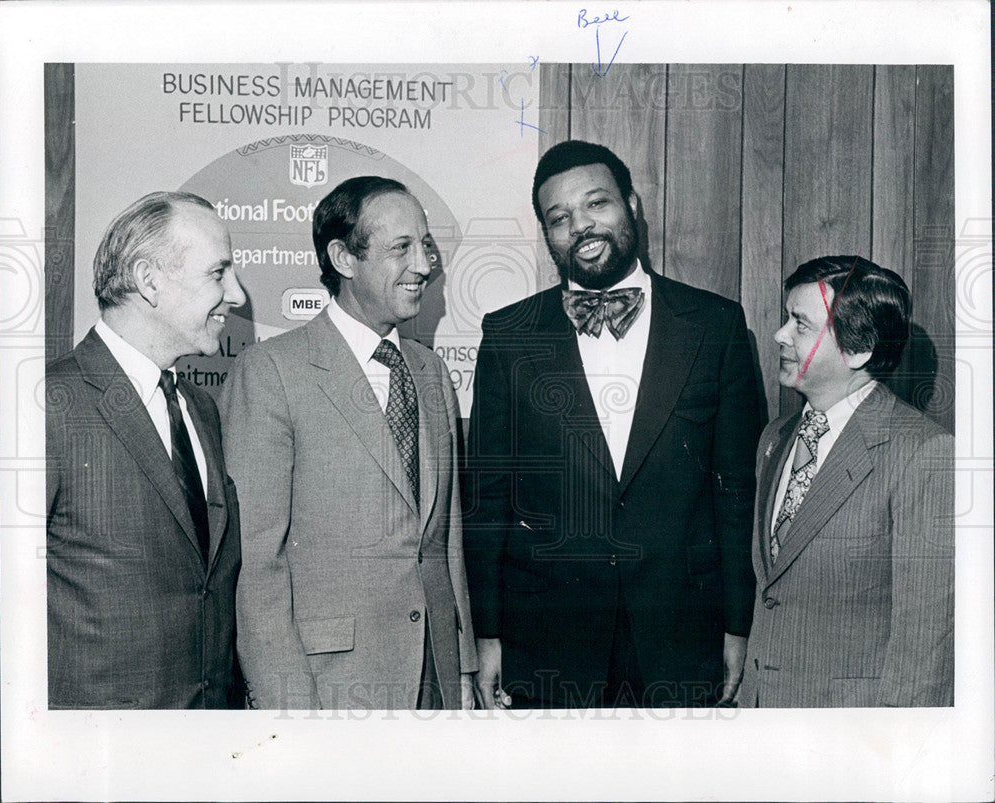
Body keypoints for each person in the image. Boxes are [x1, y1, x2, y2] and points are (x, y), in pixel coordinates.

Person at [463, 140, 762, 708]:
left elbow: (736, 491)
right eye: (560, 218)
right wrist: (488, 634)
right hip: (548, 638)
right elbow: (488, 498)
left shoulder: (716, 324)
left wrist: (737, 625)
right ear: (547, 235)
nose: (580, 226)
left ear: (630, 205)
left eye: (595, 204)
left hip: (683, 633)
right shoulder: (508, 335)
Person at [221, 176, 476, 710]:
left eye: (425, 245)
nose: (424, 265)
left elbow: (445, 541)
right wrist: (285, 705)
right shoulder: (271, 372)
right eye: (400, 248)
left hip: (438, 679)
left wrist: (464, 667)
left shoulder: (431, 375)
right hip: (328, 687)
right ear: (343, 257)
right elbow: (256, 563)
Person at [46, 191, 246, 708]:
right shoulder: (46, 405)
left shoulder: (201, 409)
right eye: (218, 273)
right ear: (149, 280)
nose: (238, 295)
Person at [737, 256, 954, 707]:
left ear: (858, 349)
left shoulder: (922, 453)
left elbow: (925, 641)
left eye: (800, 323)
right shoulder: (774, 438)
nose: (779, 334)